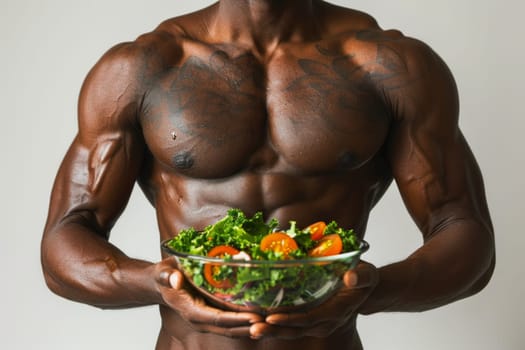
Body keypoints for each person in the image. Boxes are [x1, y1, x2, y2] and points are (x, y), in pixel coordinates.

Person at [41, 1, 495, 349]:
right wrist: (162, 282)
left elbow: (463, 231)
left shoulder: (391, 65)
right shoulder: (142, 68)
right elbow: (64, 240)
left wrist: (372, 290)